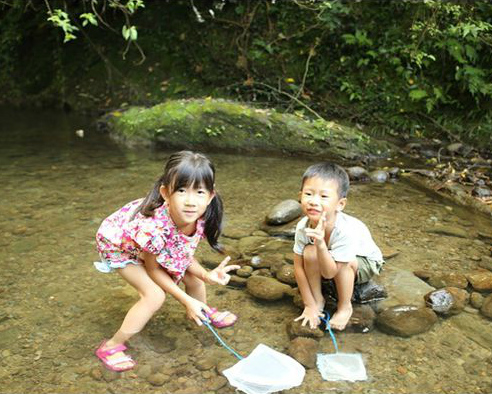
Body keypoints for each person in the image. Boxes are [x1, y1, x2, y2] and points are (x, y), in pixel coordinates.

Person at [93, 151, 240, 372]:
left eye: (199, 191)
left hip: (149, 244)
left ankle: (202, 310)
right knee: (154, 295)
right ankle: (111, 346)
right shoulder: (154, 228)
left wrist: (206, 275)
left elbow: (183, 255)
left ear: (210, 196)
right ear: (165, 193)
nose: (191, 201)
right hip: (119, 245)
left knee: (192, 276)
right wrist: (185, 300)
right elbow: (153, 270)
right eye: (181, 190)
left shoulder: (200, 216)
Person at [293, 162, 384, 331]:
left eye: (324, 196)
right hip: (332, 256)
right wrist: (309, 304)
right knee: (308, 252)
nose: (313, 201)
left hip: (365, 261)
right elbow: (298, 267)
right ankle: (318, 299)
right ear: (300, 196)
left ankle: (344, 307)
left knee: (343, 263)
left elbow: (329, 273)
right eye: (308, 194)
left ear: (340, 204)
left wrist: (320, 245)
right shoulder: (302, 226)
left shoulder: (345, 230)